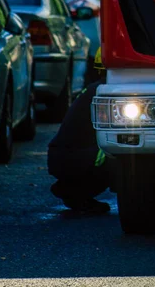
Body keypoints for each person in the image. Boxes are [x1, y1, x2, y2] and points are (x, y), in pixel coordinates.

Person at [47, 48, 111, 214]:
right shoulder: (108, 93)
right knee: (124, 149)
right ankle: (76, 192)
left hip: (62, 156)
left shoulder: (95, 88)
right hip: (75, 159)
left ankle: (72, 189)